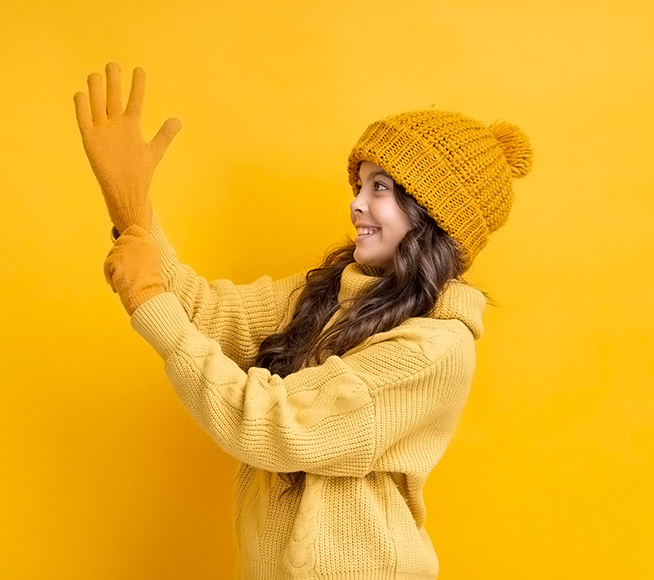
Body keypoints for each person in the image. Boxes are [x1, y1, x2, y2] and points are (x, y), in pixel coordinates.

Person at [74, 62, 533, 579]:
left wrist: (149, 299)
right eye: (360, 185)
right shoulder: (327, 292)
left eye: (380, 187)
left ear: (431, 213)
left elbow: (277, 425)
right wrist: (132, 210)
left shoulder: (435, 348)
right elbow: (208, 314)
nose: (357, 204)